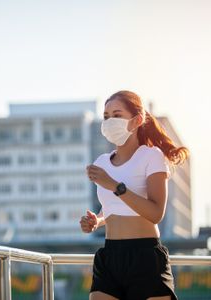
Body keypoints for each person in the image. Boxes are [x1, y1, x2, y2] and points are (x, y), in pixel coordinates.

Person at [80, 90, 189, 300]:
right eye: (106, 116)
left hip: (145, 256)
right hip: (109, 256)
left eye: (117, 115)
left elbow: (156, 212)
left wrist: (113, 184)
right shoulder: (102, 162)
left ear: (137, 120)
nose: (109, 121)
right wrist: (98, 219)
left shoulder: (152, 156)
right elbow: (113, 207)